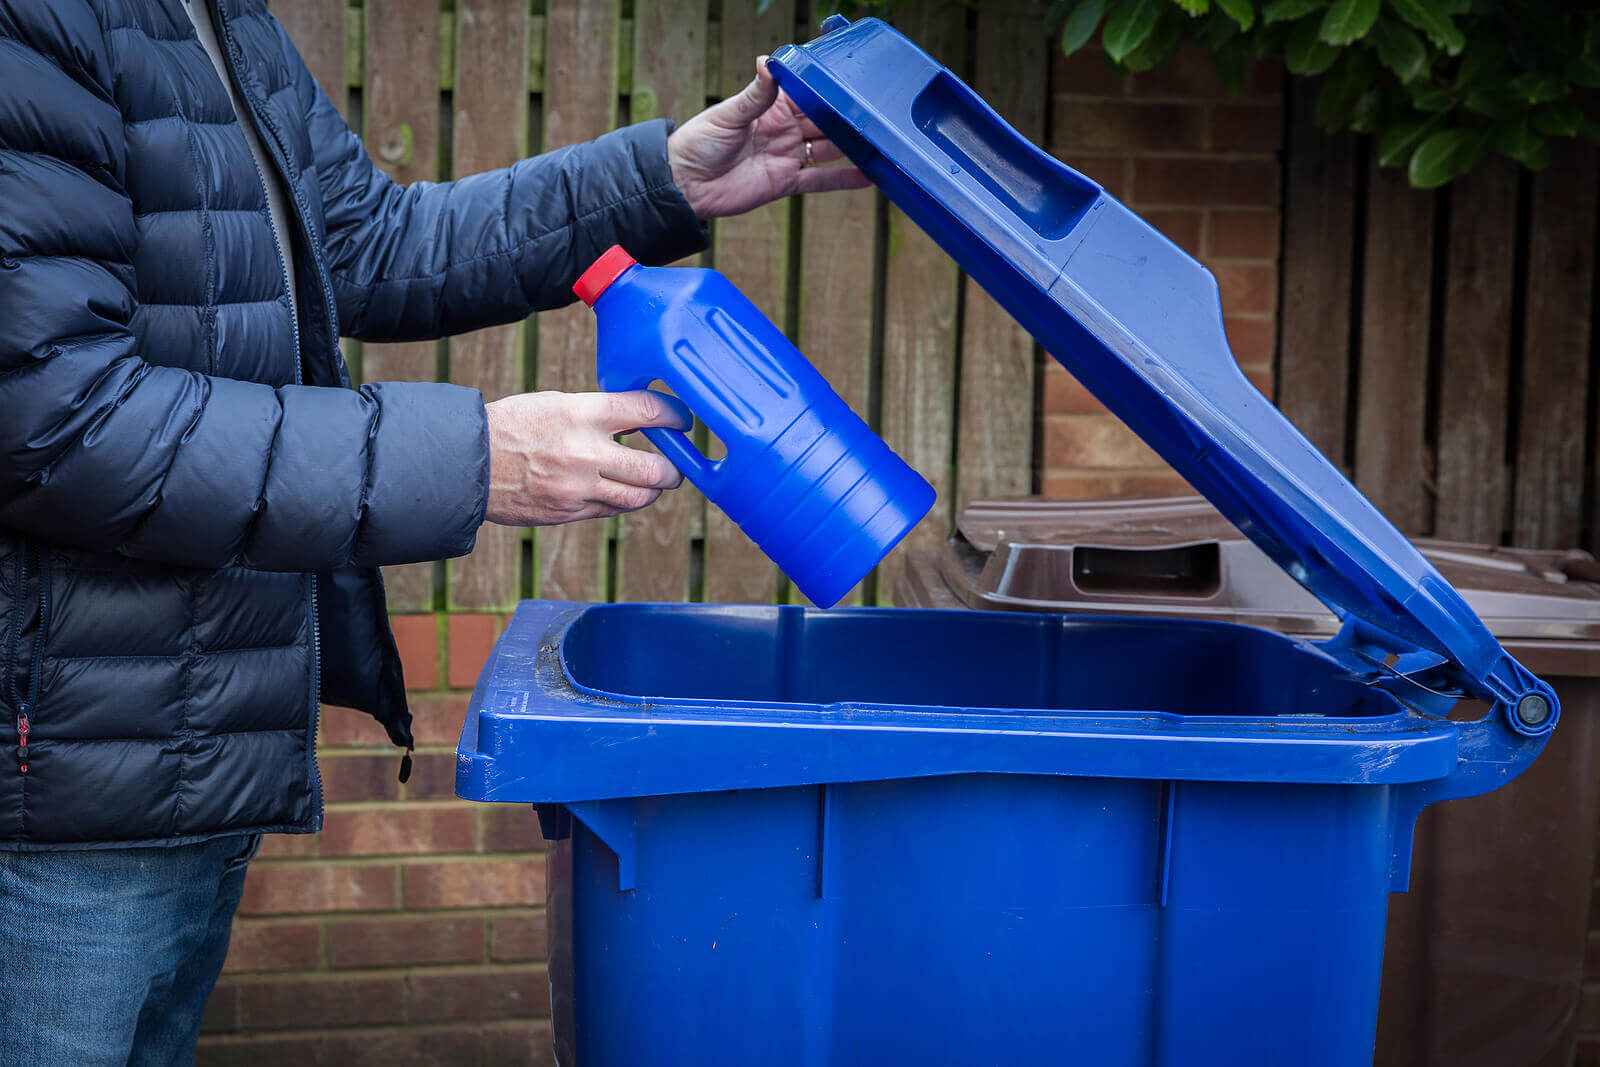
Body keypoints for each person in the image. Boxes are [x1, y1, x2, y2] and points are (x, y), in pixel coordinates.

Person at [0, 0, 868, 1062]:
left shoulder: (209, 16)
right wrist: (472, 460)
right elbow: (56, 419)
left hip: (184, 744)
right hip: (50, 781)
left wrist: (665, 181)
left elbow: (363, 240)